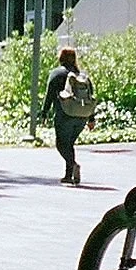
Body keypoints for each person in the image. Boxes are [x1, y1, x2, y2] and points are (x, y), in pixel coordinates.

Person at [38, 46, 94, 185]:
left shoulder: (56, 74)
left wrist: (44, 113)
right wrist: (91, 118)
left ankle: (73, 166)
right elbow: (90, 97)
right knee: (69, 144)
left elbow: (49, 95)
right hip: (82, 116)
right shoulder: (82, 76)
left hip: (64, 114)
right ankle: (68, 175)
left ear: (60, 58)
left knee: (61, 144)